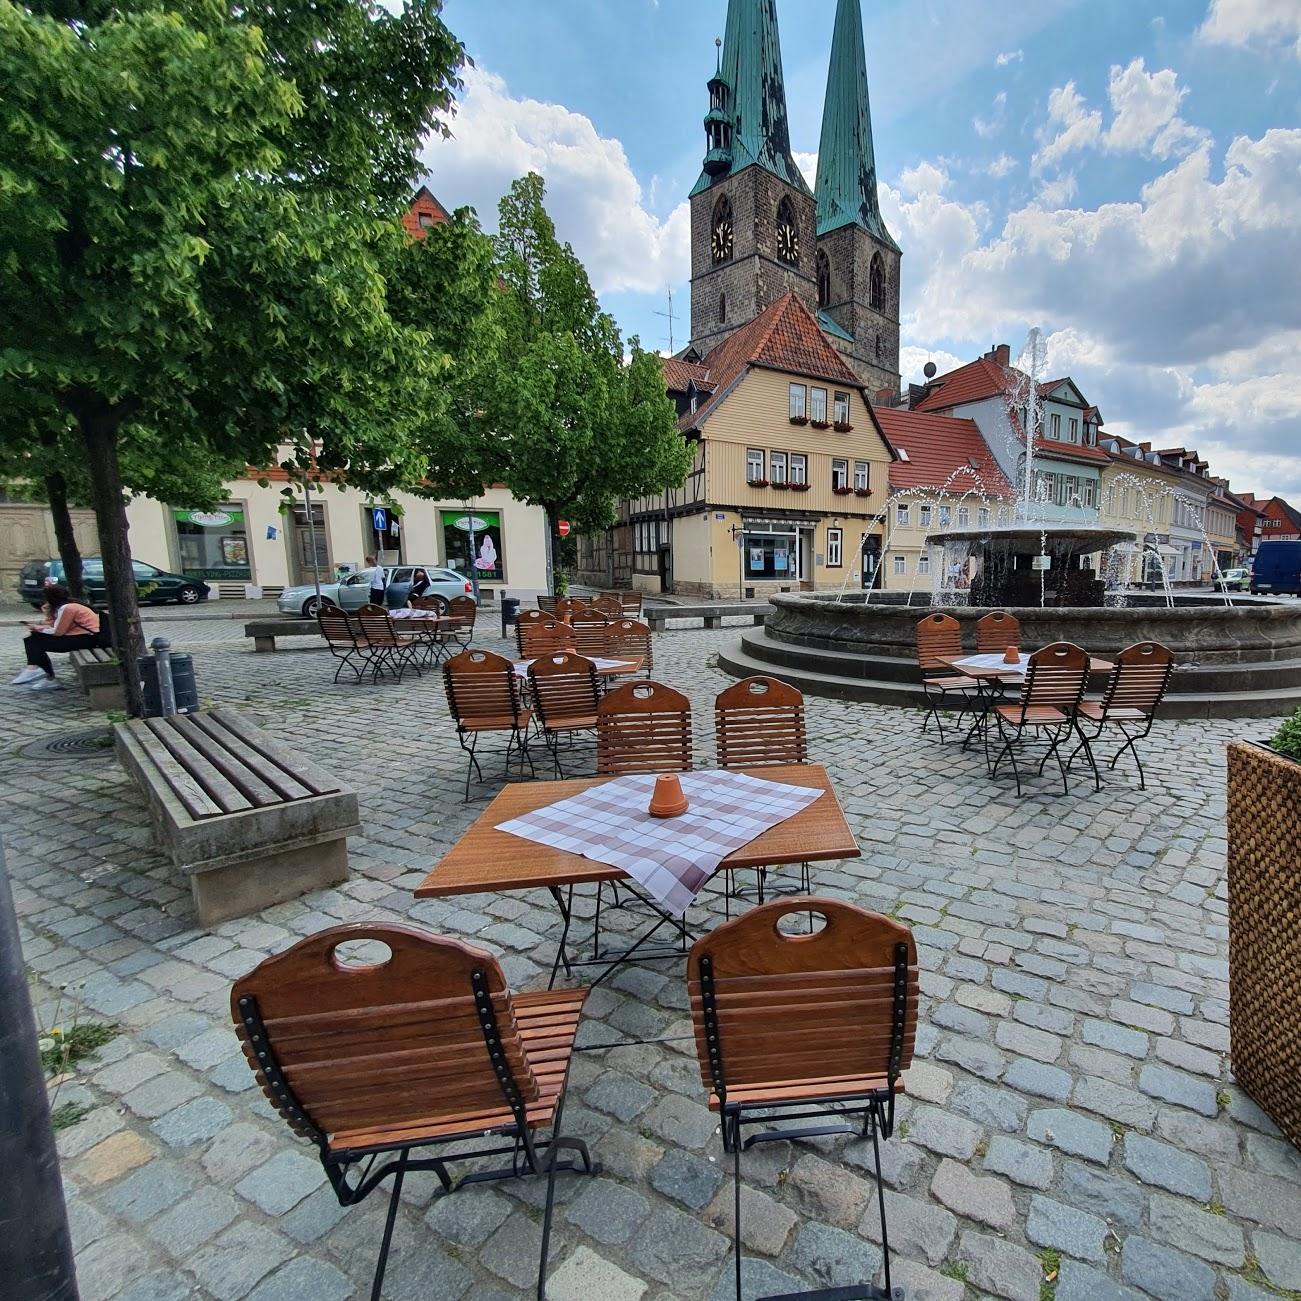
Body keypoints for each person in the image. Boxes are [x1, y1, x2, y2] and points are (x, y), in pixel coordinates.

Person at [11, 586, 109, 691]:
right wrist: (45, 616)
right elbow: (55, 625)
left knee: (34, 640)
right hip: (86, 638)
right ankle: (41, 673)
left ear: (51, 597)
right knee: (34, 639)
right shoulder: (70, 605)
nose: (44, 600)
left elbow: (58, 632)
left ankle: (42, 673)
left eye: (45, 597)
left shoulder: (67, 608)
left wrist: (39, 629)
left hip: (86, 640)